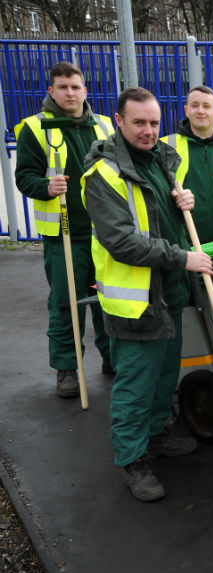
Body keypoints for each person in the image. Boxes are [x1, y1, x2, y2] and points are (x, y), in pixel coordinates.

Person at [82, 87, 213, 502]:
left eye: (154, 122)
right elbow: (123, 241)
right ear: (118, 121)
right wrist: (183, 259)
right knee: (135, 386)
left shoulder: (160, 161)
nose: (148, 130)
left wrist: (182, 204)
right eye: (138, 122)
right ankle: (132, 461)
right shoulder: (104, 175)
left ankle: (155, 438)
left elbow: (159, 220)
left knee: (162, 379)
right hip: (135, 301)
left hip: (168, 294)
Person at [14, 61, 115, 398]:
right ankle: (67, 370)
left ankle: (111, 357)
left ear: (85, 90)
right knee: (66, 303)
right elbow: (24, 176)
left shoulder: (102, 126)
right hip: (64, 234)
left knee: (107, 298)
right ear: (51, 91)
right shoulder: (34, 128)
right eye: (63, 87)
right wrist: (46, 187)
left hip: (104, 232)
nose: (70, 93)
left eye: (76, 87)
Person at [161, 85, 213, 244]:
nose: (200, 111)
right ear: (186, 110)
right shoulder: (166, 146)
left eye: (206, 106)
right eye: (195, 105)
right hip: (186, 248)